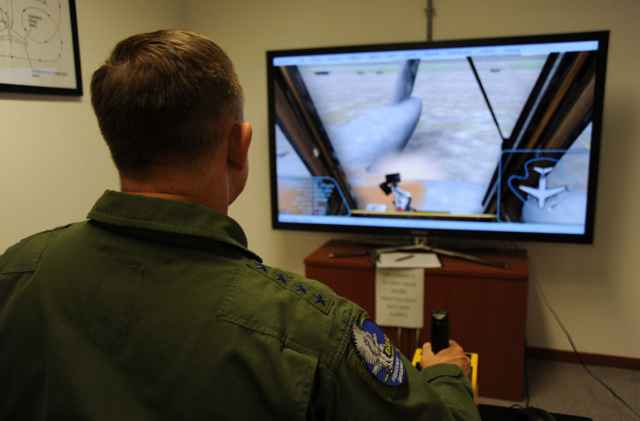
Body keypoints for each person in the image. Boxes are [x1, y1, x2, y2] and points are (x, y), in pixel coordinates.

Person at [0, 30, 481, 421]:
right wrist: (445, 377)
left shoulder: (16, 271)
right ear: (239, 145)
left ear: (116, 141)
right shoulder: (316, 329)